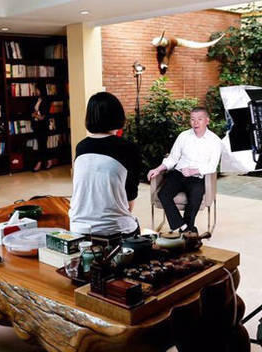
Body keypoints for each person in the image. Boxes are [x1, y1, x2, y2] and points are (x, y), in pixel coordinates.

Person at [69, 92, 142, 237]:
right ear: (118, 115)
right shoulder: (128, 148)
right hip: (115, 232)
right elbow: (130, 197)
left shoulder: (81, 147)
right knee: (133, 224)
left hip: (78, 229)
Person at [147, 107, 222, 239]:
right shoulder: (183, 136)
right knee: (163, 194)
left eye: (199, 119)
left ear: (207, 121)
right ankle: (185, 228)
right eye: (192, 119)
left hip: (197, 177)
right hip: (178, 173)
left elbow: (212, 166)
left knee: (195, 197)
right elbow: (173, 158)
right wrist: (158, 169)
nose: (195, 122)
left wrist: (194, 170)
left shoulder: (215, 141)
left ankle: (187, 229)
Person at [30, 81, 51, 171]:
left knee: (42, 145)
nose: (36, 91)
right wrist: (34, 115)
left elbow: (43, 117)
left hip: (43, 126)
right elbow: (32, 111)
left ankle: (39, 163)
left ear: (41, 90)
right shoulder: (36, 99)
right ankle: (48, 161)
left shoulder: (46, 100)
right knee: (41, 145)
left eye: (37, 89)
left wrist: (35, 115)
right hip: (36, 125)